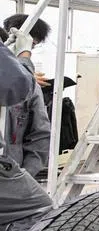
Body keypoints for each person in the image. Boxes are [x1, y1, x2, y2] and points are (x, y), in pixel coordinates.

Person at [0, 28, 54, 231]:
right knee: (38, 210)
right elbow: (17, 83)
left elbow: (40, 135)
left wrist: (26, 176)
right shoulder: (23, 81)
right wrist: (23, 58)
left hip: (13, 170)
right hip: (5, 176)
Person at [0, 15, 51, 180]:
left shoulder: (30, 87)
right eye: (29, 45)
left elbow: (40, 135)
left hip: (11, 174)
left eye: (31, 46)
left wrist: (24, 177)